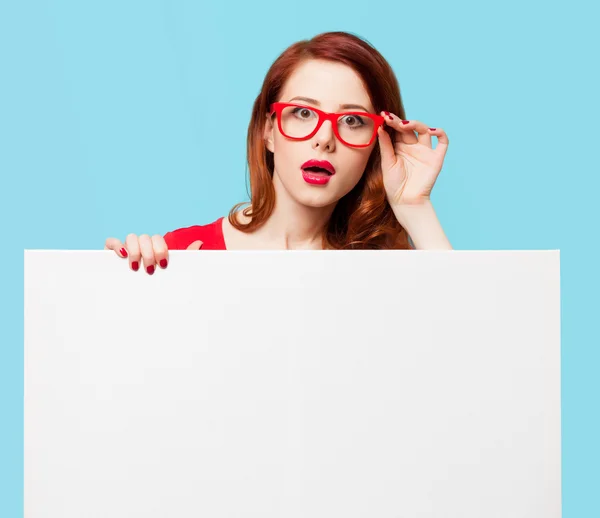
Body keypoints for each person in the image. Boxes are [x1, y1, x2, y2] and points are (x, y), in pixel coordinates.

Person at [104, 31, 453, 275]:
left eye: (352, 120)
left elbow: (475, 352)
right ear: (267, 131)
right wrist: (120, 288)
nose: (325, 139)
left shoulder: (388, 271)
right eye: (303, 113)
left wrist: (415, 208)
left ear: (380, 144)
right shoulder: (180, 254)